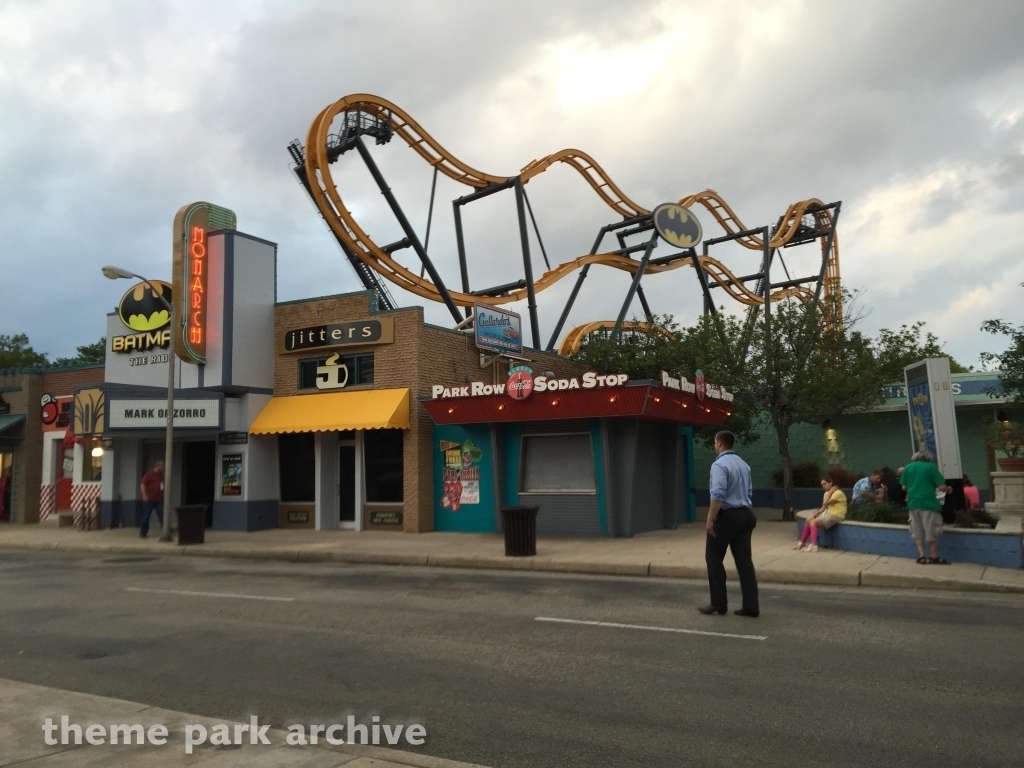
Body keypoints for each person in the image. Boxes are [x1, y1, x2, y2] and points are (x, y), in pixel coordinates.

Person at [699, 431, 759, 618]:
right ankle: (751, 606)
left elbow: (717, 495)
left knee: (714, 558)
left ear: (719, 444)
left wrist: (710, 519)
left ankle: (718, 603)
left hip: (727, 516)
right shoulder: (744, 465)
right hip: (745, 514)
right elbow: (749, 492)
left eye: (715, 443)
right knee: (744, 562)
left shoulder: (719, 465)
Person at [901, 450, 952, 565]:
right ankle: (933, 557)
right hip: (928, 504)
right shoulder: (931, 468)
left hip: (913, 504)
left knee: (917, 531)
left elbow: (904, 487)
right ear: (928, 458)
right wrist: (949, 489)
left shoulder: (908, 468)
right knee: (932, 530)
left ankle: (921, 556)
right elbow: (941, 486)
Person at [795, 478, 847, 552]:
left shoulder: (838, 493)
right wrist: (816, 514)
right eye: (822, 485)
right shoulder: (826, 493)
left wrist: (830, 492)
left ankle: (813, 545)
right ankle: (801, 543)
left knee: (813, 522)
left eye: (825, 484)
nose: (823, 486)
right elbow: (823, 507)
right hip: (828, 514)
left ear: (831, 483)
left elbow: (825, 503)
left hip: (837, 515)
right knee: (808, 520)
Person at [139, 460, 165, 538]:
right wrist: (144, 495)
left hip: (159, 499)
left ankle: (165, 531)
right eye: (162, 466)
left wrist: (163, 493)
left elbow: (162, 485)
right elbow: (142, 484)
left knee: (162, 515)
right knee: (146, 516)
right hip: (149, 499)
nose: (163, 468)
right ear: (157, 466)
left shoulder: (161, 475)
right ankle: (143, 533)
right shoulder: (149, 474)